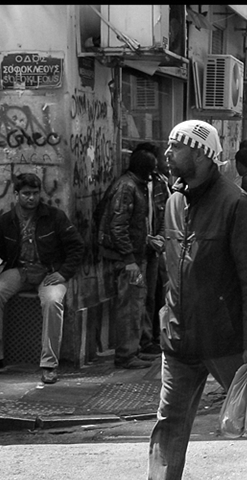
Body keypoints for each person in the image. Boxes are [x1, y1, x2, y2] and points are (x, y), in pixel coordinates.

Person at [105, 120, 247, 480]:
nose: (168, 153)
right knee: (168, 422)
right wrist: (166, 316)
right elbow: (176, 267)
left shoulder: (237, 205)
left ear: (201, 154)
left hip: (226, 337)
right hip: (179, 334)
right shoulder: (173, 201)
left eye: (176, 147)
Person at [0, 173, 85, 384]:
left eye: (35, 193)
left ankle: (49, 364)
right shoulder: (7, 220)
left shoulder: (55, 216)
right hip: (19, 270)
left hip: (49, 271)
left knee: (52, 302)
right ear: (16, 194)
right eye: (26, 194)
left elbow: (77, 246)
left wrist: (62, 273)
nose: (31, 198)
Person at [98, 147, 156, 370]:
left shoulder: (131, 185)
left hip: (135, 256)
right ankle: (126, 354)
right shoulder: (127, 187)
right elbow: (117, 225)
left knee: (136, 303)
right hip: (129, 260)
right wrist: (129, 257)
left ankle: (133, 349)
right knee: (130, 305)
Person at [135, 142, 171, 359]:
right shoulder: (131, 186)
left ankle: (155, 335)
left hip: (157, 248)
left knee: (156, 293)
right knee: (143, 297)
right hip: (140, 251)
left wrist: (160, 238)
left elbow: (162, 211)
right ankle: (144, 340)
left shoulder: (159, 184)